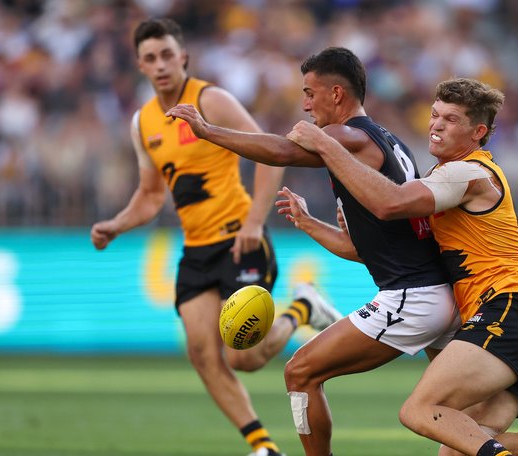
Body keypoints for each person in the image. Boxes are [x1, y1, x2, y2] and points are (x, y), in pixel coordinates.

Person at [167, 49, 518, 456]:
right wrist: (313, 223)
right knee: (460, 439)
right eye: (436, 116)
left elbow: (335, 176)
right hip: (479, 310)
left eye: (310, 93)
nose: (437, 127)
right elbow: (386, 245)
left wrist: (211, 132)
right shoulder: (407, 155)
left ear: (336, 94)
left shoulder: (438, 166)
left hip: (483, 308)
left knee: (311, 375)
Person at [89, 18, 341, 456]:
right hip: (196, 250)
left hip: (239, 240)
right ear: (141, 66)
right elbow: (150, 197)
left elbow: (269, 153)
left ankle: (304, 307)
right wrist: (117, 224)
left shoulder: (210, 100)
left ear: (182, 57)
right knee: (202, 354)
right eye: (151, 58)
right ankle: (263, 446)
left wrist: (254, 222)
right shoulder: (142, 122)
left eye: (167, 54)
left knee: (243, 356)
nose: (161, 64)